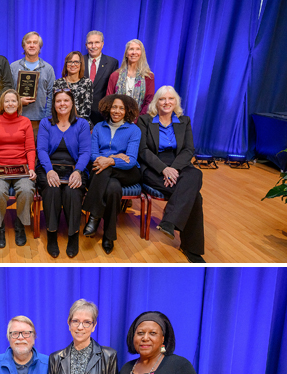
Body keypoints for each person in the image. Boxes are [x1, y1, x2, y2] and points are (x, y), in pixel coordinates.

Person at [137, 86, 206, 262]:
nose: (166, 102)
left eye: (171, 99)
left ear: (176, 102)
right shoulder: (145, 120)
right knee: (195, 197)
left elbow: (189, 149)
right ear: (156, 102)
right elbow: (143, 150)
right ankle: (191, 249)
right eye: (162, 99)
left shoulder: (184, 121)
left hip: (179, 165)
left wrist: (174, 169)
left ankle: (169, 221)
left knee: (196, 174)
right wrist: (164, 169)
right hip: (153, 167)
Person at [83, 94, 141, 255]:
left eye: (121, 108)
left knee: (105, 170)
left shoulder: (134, 130)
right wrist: (114, 157)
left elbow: (130, 160)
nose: (117, 111)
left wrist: (110, 161)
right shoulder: (99, 128)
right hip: (102, 168)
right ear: (108, 108)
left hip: (127, 172)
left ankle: (94, 217)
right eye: (114, 107)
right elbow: (93, 155)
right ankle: (109, 236)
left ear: (127, 111)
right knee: (113, 189)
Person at [35, 89, 91, 258]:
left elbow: (86, 152)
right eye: (58, 101)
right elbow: (42, 150)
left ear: (72, 103)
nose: (62, 104)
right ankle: (51, 234)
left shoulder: (82, 124)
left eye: (66, 100)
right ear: (54, 104)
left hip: (75, 168)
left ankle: (73, 236)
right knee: (52, 189)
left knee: (72, 191)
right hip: (49, 167)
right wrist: (49, 170)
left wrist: (78, 171)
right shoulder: (46, 123)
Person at [0, 89, 36, 248]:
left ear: (18, 103)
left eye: (13, 100)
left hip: (22, 168)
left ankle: (20, 224)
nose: (10, 104)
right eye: (6, 101)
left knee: (27, 189)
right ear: (2, 104)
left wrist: (32, 168)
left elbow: (30, 149)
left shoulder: (25, 122)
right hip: (0, 168)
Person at [11, 31, 55, 138]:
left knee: (37, 152)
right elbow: (8, 92)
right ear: (23, 46)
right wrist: (17, 102)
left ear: (39, 46)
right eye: (28, 42)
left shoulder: (48, 69)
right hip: (17, 117)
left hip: (40, 121)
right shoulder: (13, 67)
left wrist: (46, 119)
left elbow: (52, 96)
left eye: (35, 42)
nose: (31, 45)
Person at [82, 31, 120, 126]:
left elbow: (113, 89)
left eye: (97, 42)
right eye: (90, 43)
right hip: (80, 113)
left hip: (101, 114)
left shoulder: (112, 63)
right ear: (86, 45)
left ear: (102, 44)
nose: (93, 46)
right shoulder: (79, 61)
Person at [106, 39, 155, 111]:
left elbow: (149, 101)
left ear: (142, 53)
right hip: (117, 117)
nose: (134, 52)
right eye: (131, 49)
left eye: (138, 49)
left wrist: (138, 120)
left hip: (139, 119)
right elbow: (109, 100)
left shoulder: (148, 76)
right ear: (126, 53)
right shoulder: (115, 75)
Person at [53, 51, 95, 126]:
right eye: (70, 62)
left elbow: (87, 109)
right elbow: (56, 106)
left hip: (81, 124)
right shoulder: (58, 83)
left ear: (81, 64)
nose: (73, 65)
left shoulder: (87, 83)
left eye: (76, 62)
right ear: (66, 64)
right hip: (62, 124)